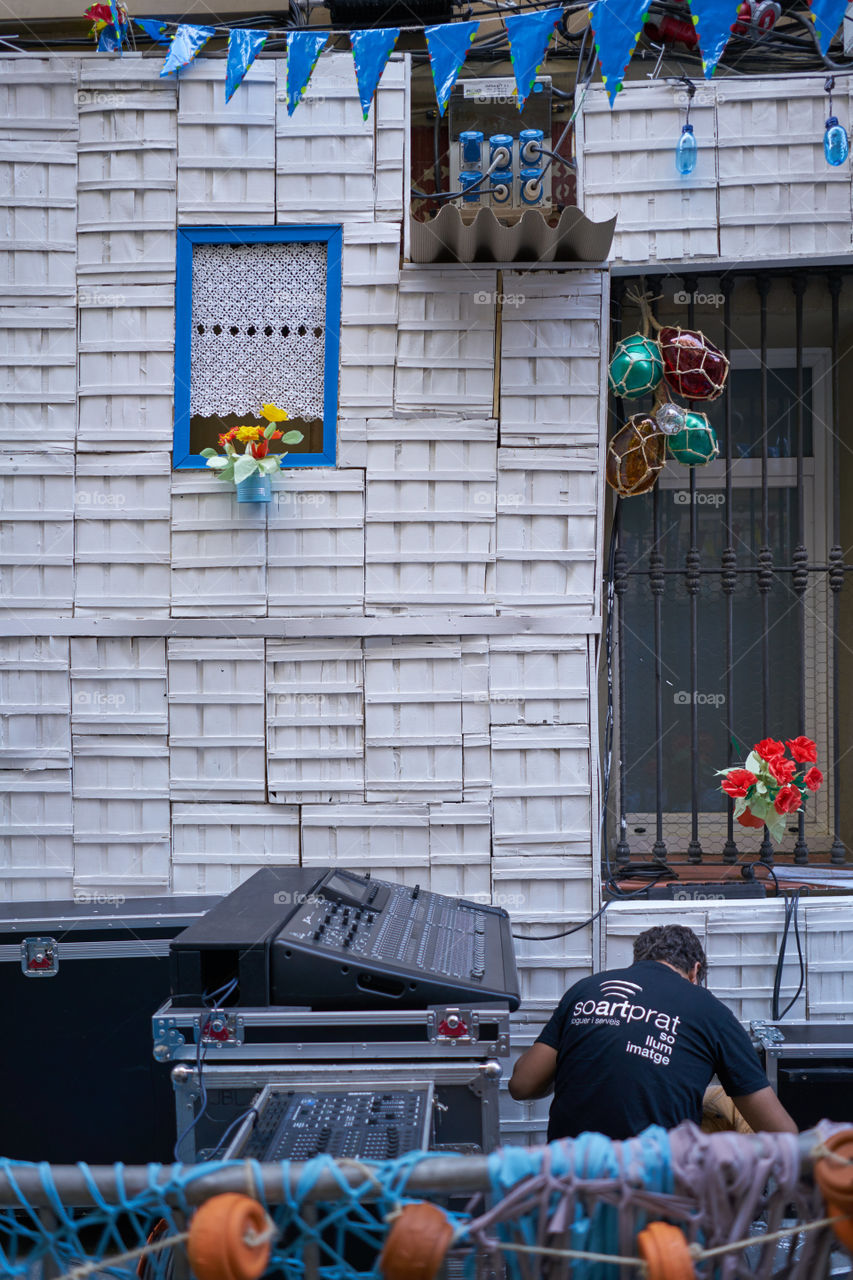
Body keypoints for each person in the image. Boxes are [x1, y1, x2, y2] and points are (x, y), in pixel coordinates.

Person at [509, 924, 797, 1140]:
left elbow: (522, 1085)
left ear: (638, 961)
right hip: (655, 1190)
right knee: (727, 1102)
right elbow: (782, 1135)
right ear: (695, 971)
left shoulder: (585, 990)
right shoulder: (713, 1012)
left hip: (568, 1180)